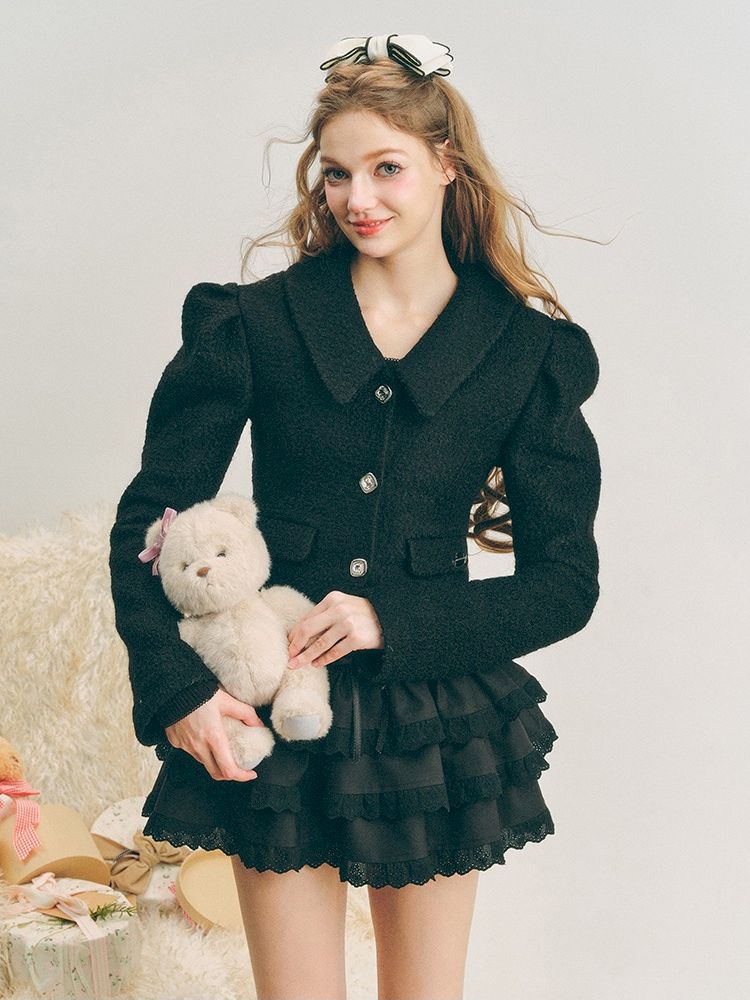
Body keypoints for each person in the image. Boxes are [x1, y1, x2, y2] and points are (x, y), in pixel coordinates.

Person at [108, 33, 602, 1000]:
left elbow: (565, 584)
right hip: (269, 696)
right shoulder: (254, 325)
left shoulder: (523, 353)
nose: (358, 198)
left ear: (446, 164)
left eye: (386, 168)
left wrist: (392, 620)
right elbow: (149, 523)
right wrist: (176, 687)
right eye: (336, 174)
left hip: (432, 722)